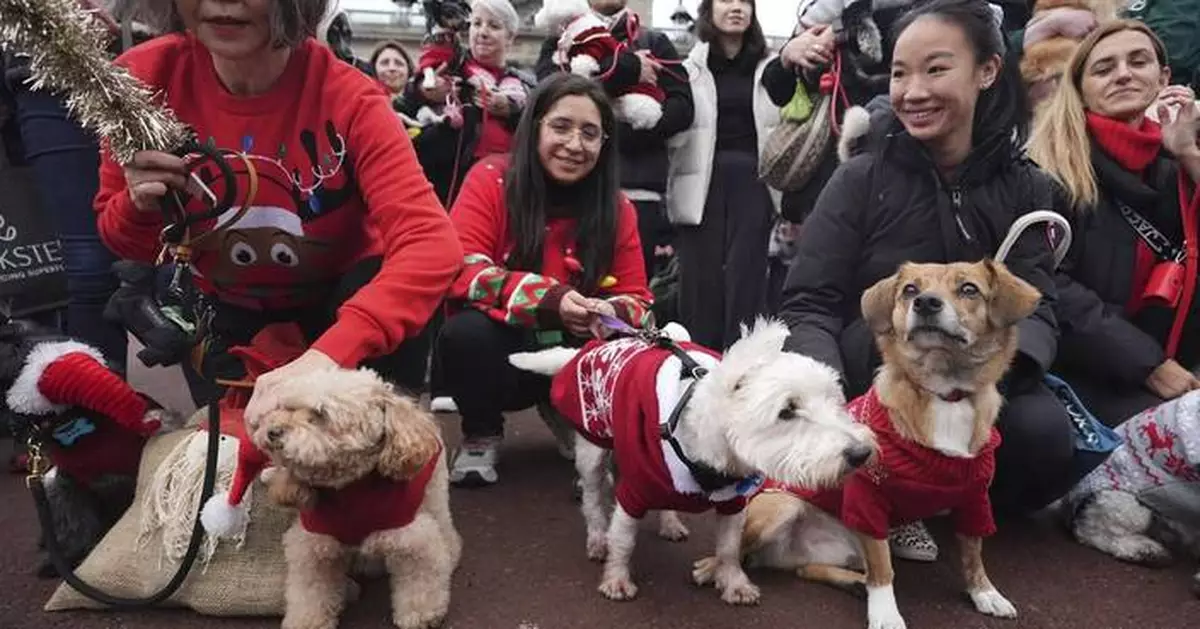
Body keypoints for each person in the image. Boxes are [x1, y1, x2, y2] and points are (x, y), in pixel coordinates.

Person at [777, 0, 1075, 560]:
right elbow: (808, 299)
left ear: (987, 71)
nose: (913, 91)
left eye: (936, 69)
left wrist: (998, 375)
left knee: (1042, 435)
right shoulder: (861, 178)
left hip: (980, 377)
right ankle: (887, 504)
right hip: (875, 372)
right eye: (898, 72)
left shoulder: (1027, 187)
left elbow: (1039, 302)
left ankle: (949, 507)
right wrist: (829, 397)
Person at [92, 0, 462, 413]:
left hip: (342, 308)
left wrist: (327, 357)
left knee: (354, 463)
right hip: (222, 312)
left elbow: (432, 244)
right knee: (234, 461)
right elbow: (124, 240)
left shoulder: (352, 99)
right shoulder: (139, 83)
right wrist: (139, 204)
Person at [438, 73, 653, 487]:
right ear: (534, 125)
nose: (575, 145)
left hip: (575, 353)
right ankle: (481, 430)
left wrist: (607, 311)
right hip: (503, 354)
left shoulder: (617, 207)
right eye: (561, 126)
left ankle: (578, 416)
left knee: (630, 340)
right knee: (463, 333)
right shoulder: (490, 178)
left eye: (590, 133)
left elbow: (638, 299)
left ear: (604, 146)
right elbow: (461, 269)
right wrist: (550, 299)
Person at [1027, 20, 1200, 427]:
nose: (1123, 73)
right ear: (1081, 88)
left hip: (1179, 360)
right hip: (1093, 374)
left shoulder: (1176, 159)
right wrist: (1148, 365)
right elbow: (1049, 286)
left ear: (1164, 77)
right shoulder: (1049, 169)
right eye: (1104, 69)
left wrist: (1189, 154)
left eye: (1138, 61)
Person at [535, 0, 695, 280]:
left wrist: (615, 132)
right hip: (569, 193)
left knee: (630, 289)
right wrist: (628, 69)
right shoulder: (560, 38)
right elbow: (550, 96)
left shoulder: (655, 42)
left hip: (637, 191)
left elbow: (682, 109)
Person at [666, 0, 791, 352]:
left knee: (746, 277)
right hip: (699, 181)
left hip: (755, 179)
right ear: (708, 10)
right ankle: (695, 364)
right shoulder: (688, 69)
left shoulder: (772, 68)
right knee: (698, 279)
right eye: (726, 0)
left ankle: (743, 363)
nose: (736, 7)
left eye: (745, 1)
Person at [411, 0, 533, 205]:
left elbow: (537, 125)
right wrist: (423, 90)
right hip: (451, 187)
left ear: (511, 37)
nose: (482, 32)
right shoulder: (451, 66)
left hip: (509, 186)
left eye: (494, 26)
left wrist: (511, 110)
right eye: (477, 24)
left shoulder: (525, 84)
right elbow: (406, 102)